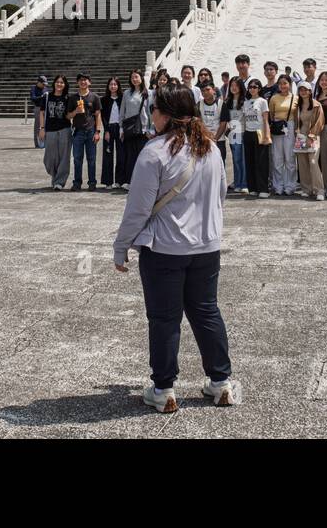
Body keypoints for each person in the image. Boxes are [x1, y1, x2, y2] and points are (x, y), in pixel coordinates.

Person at [112, 84, 240, 413]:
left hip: (166, 248)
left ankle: (164, 388)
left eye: (153, 109)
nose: (150, 115)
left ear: (165, 115)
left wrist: (121, 245)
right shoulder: (211, 149)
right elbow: (221, 197)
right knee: (206, 311)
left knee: (165, 318)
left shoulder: (154, 152)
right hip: (206, 246)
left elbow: (138, 209)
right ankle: (220, 382)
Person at [66, 73, 102, 191]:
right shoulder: (73, 98)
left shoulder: (94, 97)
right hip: (78, 131)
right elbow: (68, 116)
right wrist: (76, 111)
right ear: (77, 82)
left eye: (85, 80)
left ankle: (92, 182)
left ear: (89, 82)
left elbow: (98, 115)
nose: (83, 82)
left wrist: (97, 131)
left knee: (91, 159)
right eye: (81, 80)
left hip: (91, 131)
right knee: (77, 158)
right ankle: (77, 182)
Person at [40, 75, 72, 190]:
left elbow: (69, 115)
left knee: (64, 156)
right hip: (50, 130)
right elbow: (42, 113)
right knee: (49, 158)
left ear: (65, 85)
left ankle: (59, 182)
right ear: (54, 83)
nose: (59, 84)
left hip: (65, 129)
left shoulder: (68, 98)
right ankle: (55, 176)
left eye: (62, 82)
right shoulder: (47, 96)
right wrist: (42, 128)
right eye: (58, 82)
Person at [118, 70, 150, 188]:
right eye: (132, 77)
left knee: (142, 156)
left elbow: (149, 112)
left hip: (143, 129)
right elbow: (122, 111)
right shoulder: (127, 93)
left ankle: (143, 182)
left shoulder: (147, 93)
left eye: (136, 77)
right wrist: (121, 128)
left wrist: (149, 129)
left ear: (141, 78)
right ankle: (130, 181)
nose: (134, 79)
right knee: (130, 156)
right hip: (130, 128)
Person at [267, 74, 297, 196]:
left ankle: (290, 185)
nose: (283, 86)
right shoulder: (274, 98)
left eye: (285, 83)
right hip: (277, 127)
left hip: (290, 126)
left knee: (290, 158)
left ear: (289, 84)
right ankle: (278, 185)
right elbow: (271, 114)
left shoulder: (295, 98)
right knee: (277, 158)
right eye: (280, 83)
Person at [217, 76, 248, 194]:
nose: (234, 88)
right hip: (233, 134)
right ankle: (237, 182)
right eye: (232, 86)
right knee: (236, 159)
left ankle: (244, 183)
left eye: (237, 86)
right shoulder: (227, 101)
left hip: (243, 132)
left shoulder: (245, 101)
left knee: (243, 159)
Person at [293, 84, 324, 200]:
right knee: (302, 163)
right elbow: (296, 121)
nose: (303, 92)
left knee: (312, 162)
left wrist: (312, 135)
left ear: (310, 91)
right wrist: (296, 133)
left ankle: (319, 190)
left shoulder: (316, 105)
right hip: (300, 136)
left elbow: (320, 121)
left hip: (313, 136)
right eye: (301, 90)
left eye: (305, 90)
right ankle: (306, 189)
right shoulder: (298, 106)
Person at [241, 79, 270, 199]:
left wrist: (267, 135)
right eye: (250, 87)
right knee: (250, 161)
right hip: (248, 132)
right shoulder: (246, 103)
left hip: (259, 132)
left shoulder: (262, 101)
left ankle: (263, 188)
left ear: (259, 88)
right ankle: (252, 187)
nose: (252, 89)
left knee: (261, 161)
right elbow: (243, 119)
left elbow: (265, 120)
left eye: (255, 86)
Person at [101, 76, 124, 189]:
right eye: (111, 84)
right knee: (108, 155)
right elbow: (103, 117)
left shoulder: (122, 98)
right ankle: (108, 182)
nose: (113, 86)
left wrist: (122, 129)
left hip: (120, 129)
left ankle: (120, 180)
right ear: (108, 86)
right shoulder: (104, 100)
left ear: (118, 86)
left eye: (115, 84)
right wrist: (106, 131)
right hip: (109, 129)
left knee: (121, 155)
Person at [198, 82, 225, 165]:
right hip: (204, 139)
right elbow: (198, 122)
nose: (205, 92)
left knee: (220, 164)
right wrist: (205, 136)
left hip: (219, 140)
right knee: (205, 164)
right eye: (202, 91)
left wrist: (215, 138)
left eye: (207, 90)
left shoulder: (221, 104)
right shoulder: (199, 104)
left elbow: (223, 123)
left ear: (214, 90)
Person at [29, 76, 47, 149]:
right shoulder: (34, 88)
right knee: (37, 126)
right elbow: (33, 98)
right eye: (43, 83)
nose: (44, 85)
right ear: (38, 82)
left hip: (45, 108)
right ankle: (37, 144)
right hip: (38, 108)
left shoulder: (45, 88)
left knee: (45, 126)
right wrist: (42, 97)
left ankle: (44, 142)